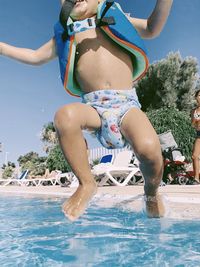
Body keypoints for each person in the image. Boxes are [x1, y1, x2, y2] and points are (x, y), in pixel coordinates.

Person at [0, 0, 173, 221]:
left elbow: (151, 28)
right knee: (65, 116)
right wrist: (3, 48)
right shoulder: (67, 33)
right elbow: (35, 56)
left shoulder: (117, 17)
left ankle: (151, 193)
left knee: (149, 151)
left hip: (126, 105)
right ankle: (86, 183)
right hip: (94, 109)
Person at [191, 89, 200, 184]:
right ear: (196, 97)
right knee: (194, 156)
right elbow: (193, 125)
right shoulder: (193, 111)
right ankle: (196, 178)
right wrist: (196, 121)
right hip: (199, 135)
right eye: (199, 95)